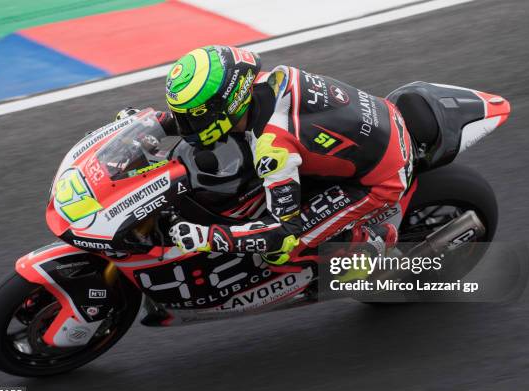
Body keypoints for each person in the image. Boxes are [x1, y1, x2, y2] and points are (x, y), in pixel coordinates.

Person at [158, 45, 413, 265]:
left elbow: (283, 231)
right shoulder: (264, 82)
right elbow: (209, 113)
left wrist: (208, 237)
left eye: (190, 117)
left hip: (382, 179)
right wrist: (152, 124)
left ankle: (373, 243)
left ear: (228, 104)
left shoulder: (273, 147)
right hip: (382, 120)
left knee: (280, 252)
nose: (184, 125)